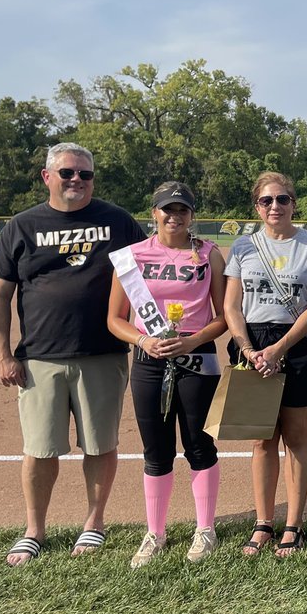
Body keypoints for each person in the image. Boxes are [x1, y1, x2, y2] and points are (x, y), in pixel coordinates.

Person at [0, 142, 146, 566]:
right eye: (67, 173)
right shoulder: (21, 227)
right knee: (39, 449)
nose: (76, 180)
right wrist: (3, 355)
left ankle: (94, 523)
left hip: (103, 353)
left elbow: (152, 271)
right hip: (40, 357)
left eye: (85, 174)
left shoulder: (118, 222)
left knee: (100, 444)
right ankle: (34, 529)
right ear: (47, 177)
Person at [107, 182, 229, 567]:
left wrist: (192, 342)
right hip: (150, 358)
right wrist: (143, 340)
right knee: (156, 451)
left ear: (192, 214)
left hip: (198, 359)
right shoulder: (132, 257)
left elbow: (224, 316)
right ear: (153, 212)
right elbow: (114, 319)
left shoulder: (209, 254)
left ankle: (205, 529)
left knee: (199, 446)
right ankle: (155, 533)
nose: (174, 216)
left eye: (182, 209)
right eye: (166, 209)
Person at [224, 172, 307, 557]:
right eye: (267, 201)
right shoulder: (242, 246)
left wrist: (280, 348)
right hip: (252, 345)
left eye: (282, 199)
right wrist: (250, 349)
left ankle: (295, 524)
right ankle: (263, 523)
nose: (275, 207)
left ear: (293, 203)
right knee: (261, 439)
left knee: (295, 436)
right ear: (256, 206)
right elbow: (231, 306)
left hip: (297, 344)